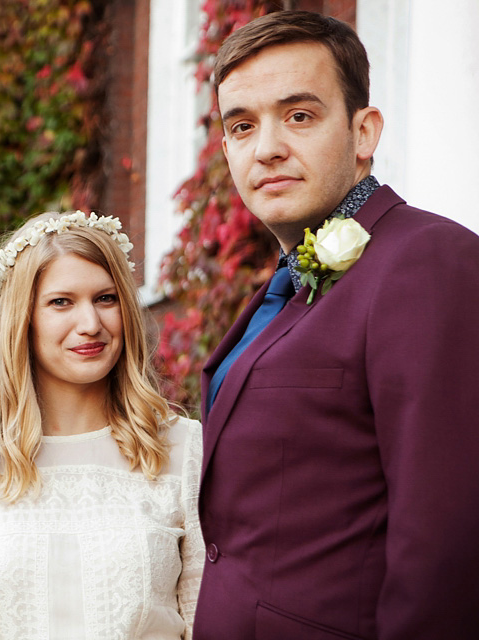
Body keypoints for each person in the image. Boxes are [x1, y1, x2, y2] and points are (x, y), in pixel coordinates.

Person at [196, 10, 479, 639]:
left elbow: (446, 543)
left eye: (299, 115)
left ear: (363, 131)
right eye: (242, 126)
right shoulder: (287, 285)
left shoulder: (428, 262)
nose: (267, 146)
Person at [0, 211, 203, 639]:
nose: (90, 325)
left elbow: (207, 622)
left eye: (106, 298)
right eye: (61, 302)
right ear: (22, 318)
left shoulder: (181, 448)